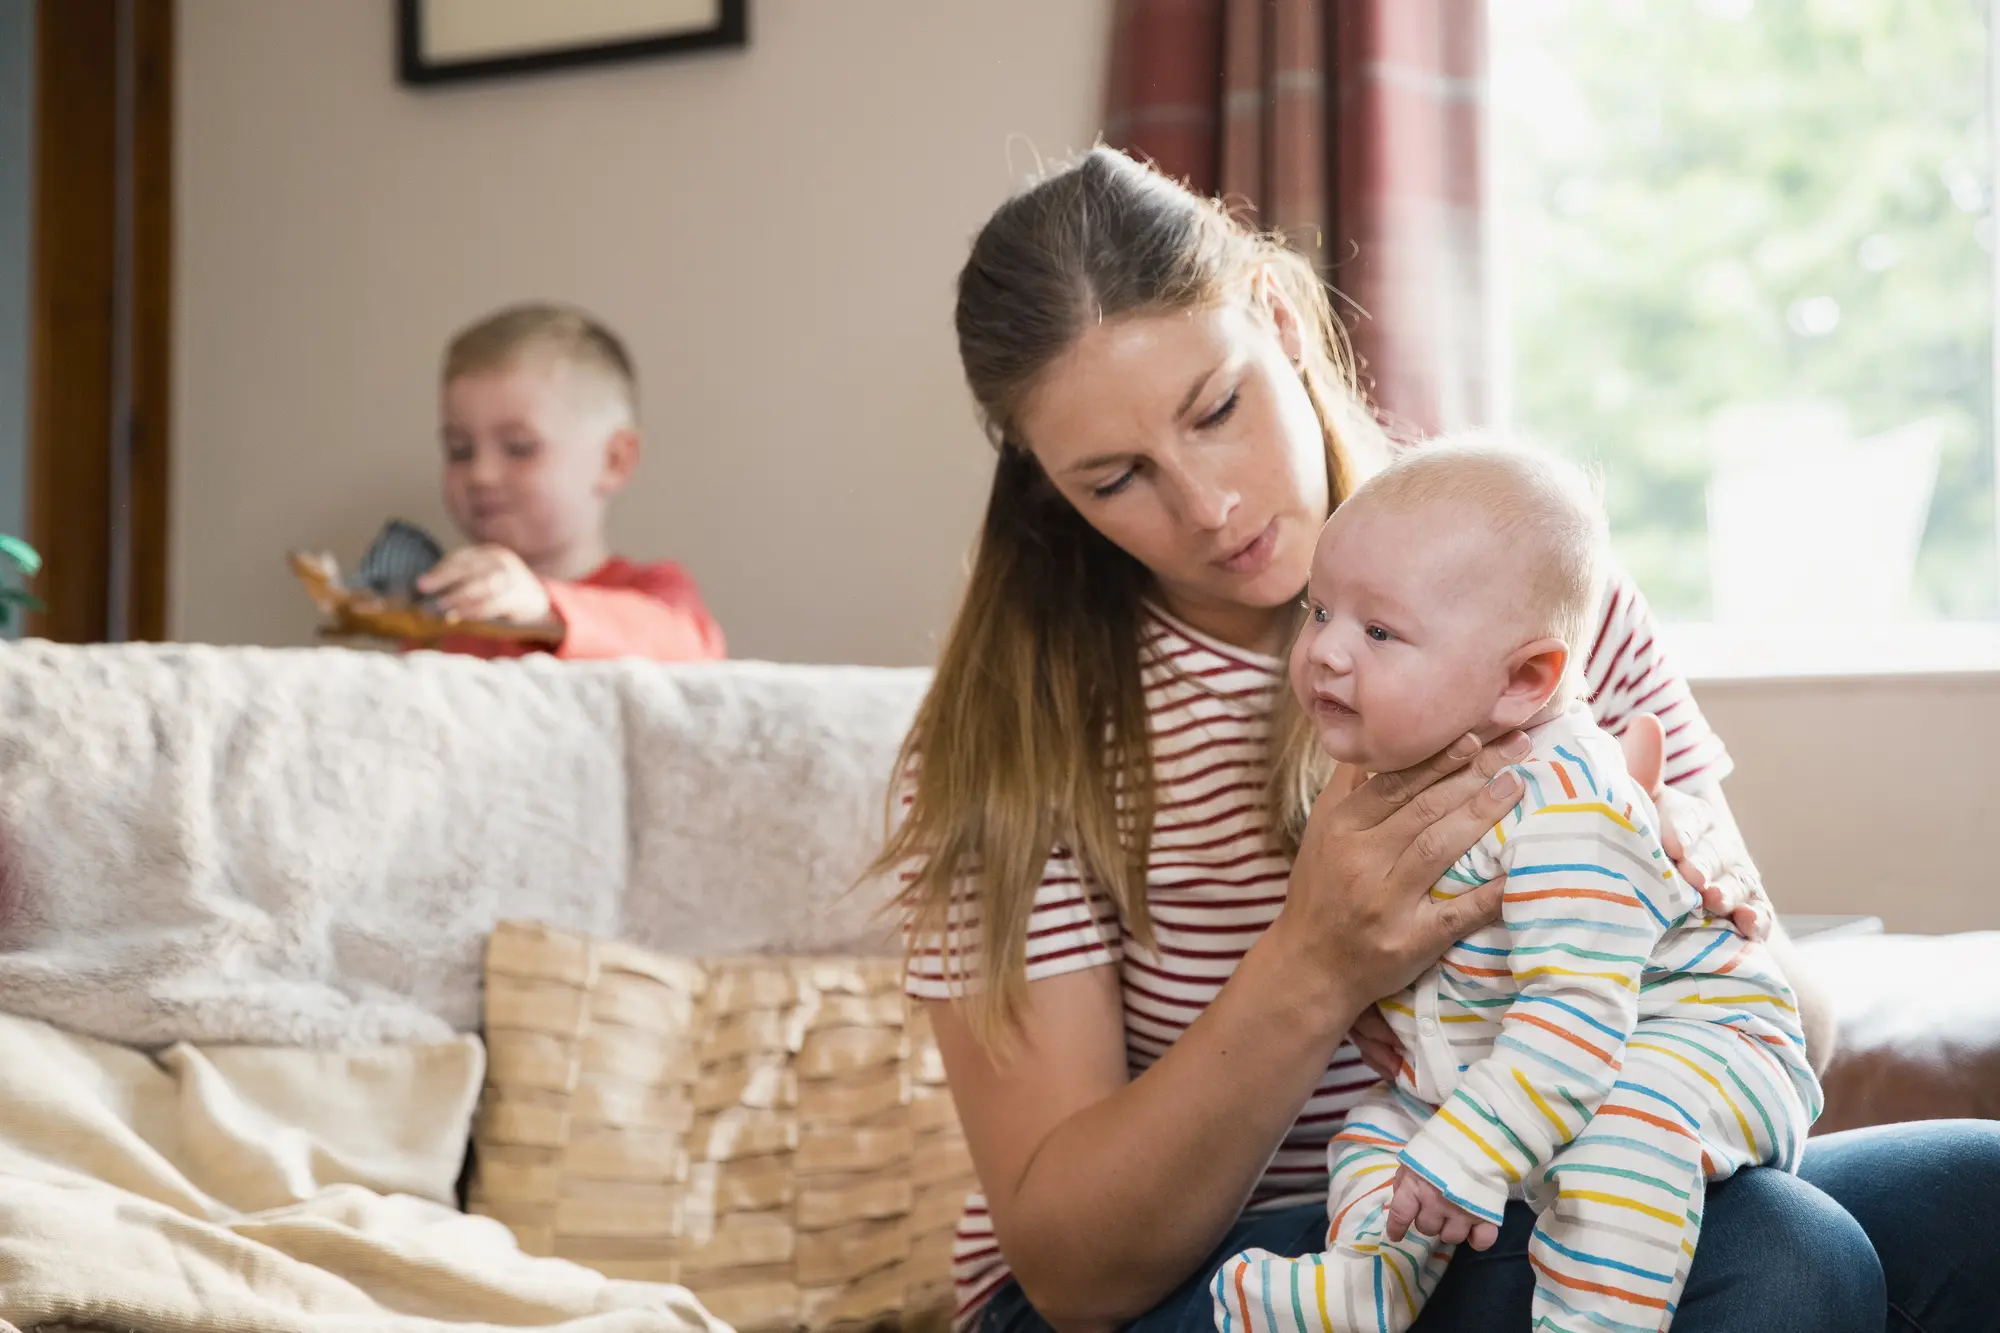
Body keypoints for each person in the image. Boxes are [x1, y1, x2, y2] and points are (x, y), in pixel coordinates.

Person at [877, 146, 2000, 1333]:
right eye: (1116, 479)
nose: (1206, 505)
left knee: (1977, 1191)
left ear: (1276, 319)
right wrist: (1314, 963)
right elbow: (1070, 1270)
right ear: (1050, 487)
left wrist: (1683, 908)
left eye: (1216, 409)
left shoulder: (1529, 593)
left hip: (1522, 1185)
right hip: (1192, 1276)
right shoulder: (1014, 746)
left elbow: (1785, 1028)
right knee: (1778, 1258)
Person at [1213, 438, 1819, 1333]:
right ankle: (1365, 1282)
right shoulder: (1405, 768)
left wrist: (1472, 1148)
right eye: (1321, 611)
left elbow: (1577, 1018)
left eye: (1378, 632)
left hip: (1691, 1047)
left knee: (1624, 1145)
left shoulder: (1570, 803)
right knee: (1377, 1129)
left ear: (1525, 679)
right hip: (1524, 1077)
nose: (1326, 652)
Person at [415, 302, 726, 662]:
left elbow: (692, 649)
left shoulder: (655, 594)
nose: (481, 474)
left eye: (520, 448)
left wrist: (545, 607)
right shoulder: (440, 617)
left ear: (614, 461)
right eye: (459, 451)